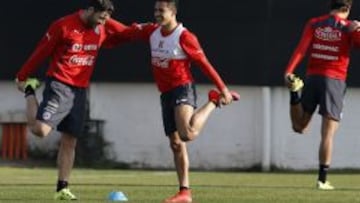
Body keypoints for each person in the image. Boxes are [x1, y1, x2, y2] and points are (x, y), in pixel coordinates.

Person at [106, 0, 240, 202]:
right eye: (155, 10)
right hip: (165, 92)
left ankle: (213, 101)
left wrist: (223, 90)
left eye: (161, 10)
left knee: (186, 134)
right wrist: (106, 19)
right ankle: (184, 192)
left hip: (182, 88)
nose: (157, 13)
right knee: (176, 144)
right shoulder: (152, 31)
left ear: (173, 12)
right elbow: (126, 31)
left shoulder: (185, 37)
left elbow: (205, 64)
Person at [15, 0, 129, 200]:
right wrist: (23, 75)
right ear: (91, 10)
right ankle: (30, 91)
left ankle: (62, 189)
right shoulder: (63, 25)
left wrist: (149, 30)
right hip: (59, 86)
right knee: (40, 130)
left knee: (70, 140)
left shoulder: (100, 27)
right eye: (101, 17)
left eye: (106, 19)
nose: (103, 23)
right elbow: (42, 50)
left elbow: (125, 33)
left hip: (80, 92)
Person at [284, 0, 359, 190]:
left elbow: (302, 48)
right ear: (348, 8)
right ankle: (322, 180)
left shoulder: (315, 23)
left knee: (299, 126)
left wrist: (289, 71)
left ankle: (295, 94)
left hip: (312, 78)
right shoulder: (349, 27)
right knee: (328, 134)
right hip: (334, 81)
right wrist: (357, 30)